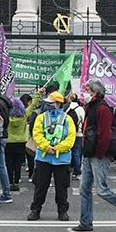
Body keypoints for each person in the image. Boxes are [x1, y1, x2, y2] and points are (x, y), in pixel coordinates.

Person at [68, 79, 116, 232]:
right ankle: (85, 223)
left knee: (102, 190)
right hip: (90, 153)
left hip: (99, 154)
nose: (84, 92)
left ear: (95, 92)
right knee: (84, 189)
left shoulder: (102, 108)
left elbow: (105, 134)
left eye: (87, 90)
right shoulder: (91, 107)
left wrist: (99, 153)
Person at [27, 90, 75, 221]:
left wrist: (57, 148)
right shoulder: (41, 117)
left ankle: (62, 211)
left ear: (59, 104)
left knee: (62, 187)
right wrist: (47, 148)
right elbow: (36, 134)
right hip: (44, 157)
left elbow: (71, 138)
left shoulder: (67, 119)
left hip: (62, 159)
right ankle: (35, 210)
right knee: (40, 186)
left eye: (51, 103)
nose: (48, 105)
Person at [6, 97, 29, 190]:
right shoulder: (24, 116)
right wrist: (38, 94)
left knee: (9, 164)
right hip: (21, 142)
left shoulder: (7, 116)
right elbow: (33, 106)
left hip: (9, 141)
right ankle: (16, 182)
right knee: (18, 164)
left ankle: (10, 182)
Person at [66, 92, 86, 178]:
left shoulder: (66, 109)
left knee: (68, 151)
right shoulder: (80, 109)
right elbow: (83, 120)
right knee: (77, 153)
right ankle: (77, 171)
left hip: (69, 134)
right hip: (79, 133)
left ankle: (68, 168)